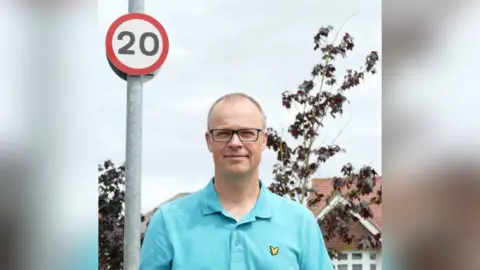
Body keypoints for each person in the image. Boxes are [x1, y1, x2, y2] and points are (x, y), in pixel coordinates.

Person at [140, 93, 333, 270]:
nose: (235, 143)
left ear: (264, 140)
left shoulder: (300, 223)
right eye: (224, 133)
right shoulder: (169, 221)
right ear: (209, 140)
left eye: (247, 133)